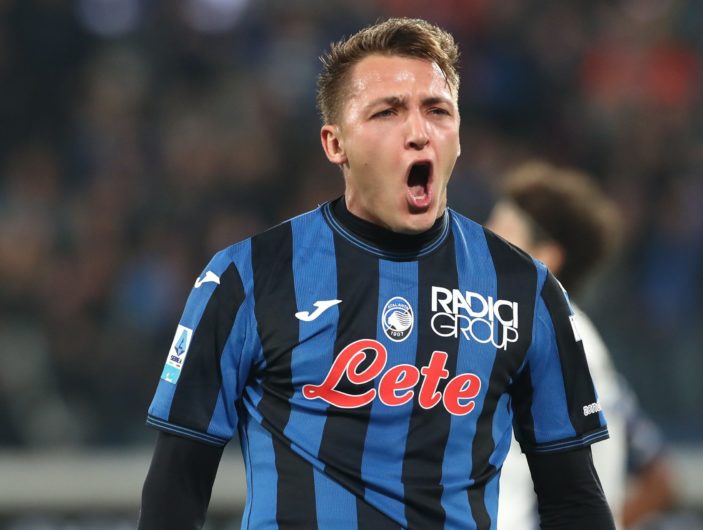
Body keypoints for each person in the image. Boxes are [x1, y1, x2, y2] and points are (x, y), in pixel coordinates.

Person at [138, 19, 615, 530]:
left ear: (457, 136)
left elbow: (574, 499)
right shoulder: (247, 277)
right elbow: (177, 486)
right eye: (387, 112)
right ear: (335, 143)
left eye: (437, 111)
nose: (417, 132)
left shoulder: (525, 290)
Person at [486, 160, 674, 529]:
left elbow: (657, 479)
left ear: (546, 257)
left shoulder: (544, 335)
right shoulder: (582, 341)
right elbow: (651, 465)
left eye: (501, 235)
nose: (482, 244)